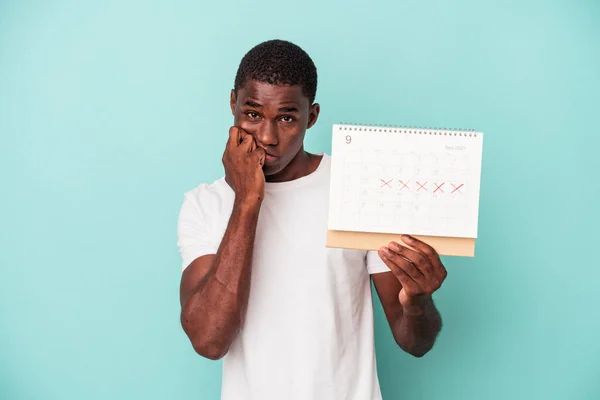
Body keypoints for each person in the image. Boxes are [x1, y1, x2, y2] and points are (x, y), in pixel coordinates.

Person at [177, 39, 447, 400]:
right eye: (253, 114)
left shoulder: (357, 188)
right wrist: (247, 200)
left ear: (312, 116)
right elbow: (209, 340)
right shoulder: (204, 204)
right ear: (233, 104)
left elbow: (415, 342)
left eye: (287, 118)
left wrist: (416, 303)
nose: (268, 137)